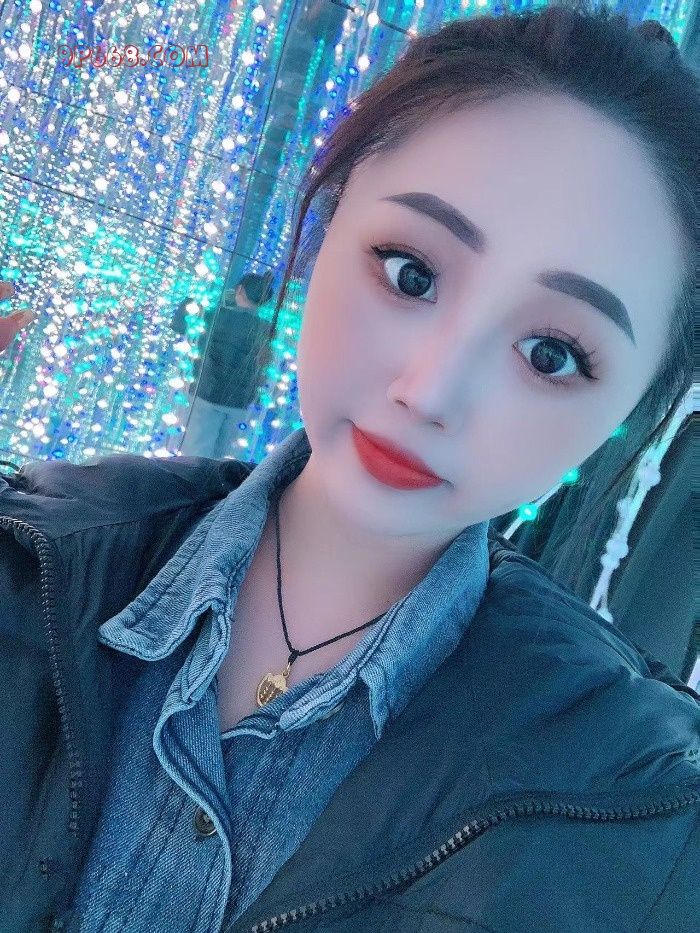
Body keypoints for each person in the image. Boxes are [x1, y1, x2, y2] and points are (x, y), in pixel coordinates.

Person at [0, 4, 698, 932]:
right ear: (326, 228)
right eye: (411, 272)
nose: (431, 390)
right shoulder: (26, 559)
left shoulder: (639, 810)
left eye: (551, 353)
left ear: (631, 417)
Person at [178, 273, 274, 458]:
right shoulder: (266, 330)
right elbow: (264, 366)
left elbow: (181, 323)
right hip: (240, 402)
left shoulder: (214, 316)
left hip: (206, 394)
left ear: (239, 290)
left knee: (196, 455)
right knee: (225, 458)